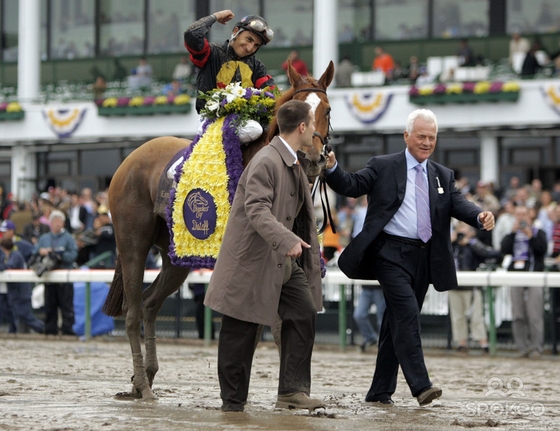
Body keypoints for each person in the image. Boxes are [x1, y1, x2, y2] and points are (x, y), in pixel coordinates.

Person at [324, 108, 495, 406]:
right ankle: (421, 385)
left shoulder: (442, 175)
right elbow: (351, 186)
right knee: (407, 314)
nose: (427, 142)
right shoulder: (382, 165)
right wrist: (333, 168)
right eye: (421, 136)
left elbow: (458, 204)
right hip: (389, 254)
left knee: (394, 325)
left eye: (432, 137)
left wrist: (479, 216)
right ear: (406, 136)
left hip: (424, 258)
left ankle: (379, 392)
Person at [204, 100, 324, 413]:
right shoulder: (265, 161)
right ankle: (233, 404)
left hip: (282, 262)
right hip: (252, 262)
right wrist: (286, 239)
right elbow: (255, 208)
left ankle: (292, 392)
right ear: (301, 128)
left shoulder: (291, 159)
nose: (315, 130)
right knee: (240, 332)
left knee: (303, 312)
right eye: (312, 124)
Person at [184, 10, 276, 114]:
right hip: (210, 125)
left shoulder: (257, 66)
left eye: (256, 45)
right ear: (236, 31)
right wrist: (215, 16)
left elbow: (272, 97)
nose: (250, 48)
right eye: (249, 39)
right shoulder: (211, 53)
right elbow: (192, 34)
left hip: (247, 125)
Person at [500, 205, 547, 359]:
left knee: (534, 315)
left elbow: (542, 250)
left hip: (533, 276)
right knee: (518, 314)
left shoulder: (538, 232)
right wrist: (513, 233)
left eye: (523, 215)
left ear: (530, 216)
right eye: (518, 215)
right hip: (516, 276)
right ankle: (522, 347)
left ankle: (536, 348)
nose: (521, 218)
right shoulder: (513, 233)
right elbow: (504, 249)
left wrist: (530, 236)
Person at [449, 222, 501, 354]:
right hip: (454, 285)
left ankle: (483, 343)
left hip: (471, 286)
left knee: (476, 316)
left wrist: (469, 243)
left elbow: (486, 253)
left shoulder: (473, 244)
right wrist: (449, 241)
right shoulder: (452, 245)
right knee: (457, 316)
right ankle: (461, 343)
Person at [32, 210, 78, 336]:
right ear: (51, 223)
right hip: (49, 276)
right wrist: (42, 251)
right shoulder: (44, 238)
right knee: (50, 306)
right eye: (55, 221)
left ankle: (67, 331)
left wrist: (60, 255)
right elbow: (34, 252)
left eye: (60, 221)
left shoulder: (68, 238)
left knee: (66, 306)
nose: (57, 224)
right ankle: (50, 330)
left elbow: (74, 254)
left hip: (64, 277)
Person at [0, 238, 44, 334]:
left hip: (21, 291)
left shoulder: (15, 255)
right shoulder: (10, 255)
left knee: (24, 314)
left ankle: (42, 329)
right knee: (14, 314)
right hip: (15, 292)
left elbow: (7, 267)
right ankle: (15, 332)